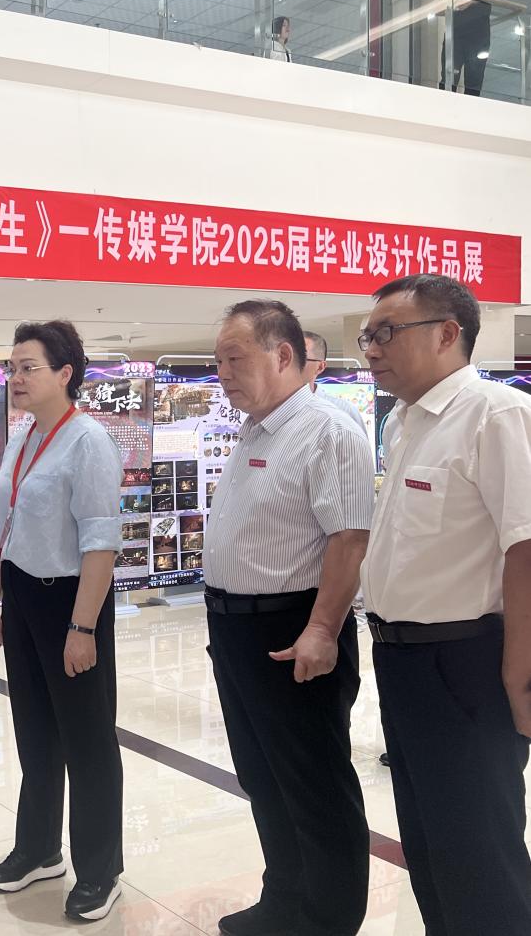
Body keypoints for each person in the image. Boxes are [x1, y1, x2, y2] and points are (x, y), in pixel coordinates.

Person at [359, 273, 531, 933]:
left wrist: (519, 675)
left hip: (468, 663)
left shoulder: (496, 414)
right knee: (428, 842)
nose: (371, 348)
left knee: (478, 849)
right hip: (402, 660)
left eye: (386, 332)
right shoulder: (403, 422)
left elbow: (525, 548)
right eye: (367, 336)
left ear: (446, 334)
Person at [204, 300, 374, 936]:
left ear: (282, 355)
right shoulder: (256, 430)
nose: (222, 372)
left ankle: (329, 921)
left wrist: (322, 629)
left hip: (294, 629)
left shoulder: (327, 430)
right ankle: (284, 902)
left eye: (234, 358)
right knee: (263, 776)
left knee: (313, 785)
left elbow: (349, 540)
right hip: (238, 631)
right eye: (219, 360)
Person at [0, 320, 125, 923]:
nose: (15, 378)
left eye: (28, 367)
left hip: (71, 600)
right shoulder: (23, 437)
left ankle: (100, 871)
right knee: (36, 733)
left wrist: (83, 628)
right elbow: (6, 530)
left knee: (88, 741)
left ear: (66, 374)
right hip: (22, 596)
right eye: (11, 368)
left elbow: (101, 543)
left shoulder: (88, 441)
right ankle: (39, 849)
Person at [301, 331, 368, 436]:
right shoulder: (275, 410)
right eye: (284, 357)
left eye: (300, 359)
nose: (289, 365)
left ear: (320, 367)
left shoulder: (344, 411)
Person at [443, 0, 504, 97]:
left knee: (474, 81)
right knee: (448, 78)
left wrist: (471, 0)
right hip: (455, 29)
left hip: (478, 30)